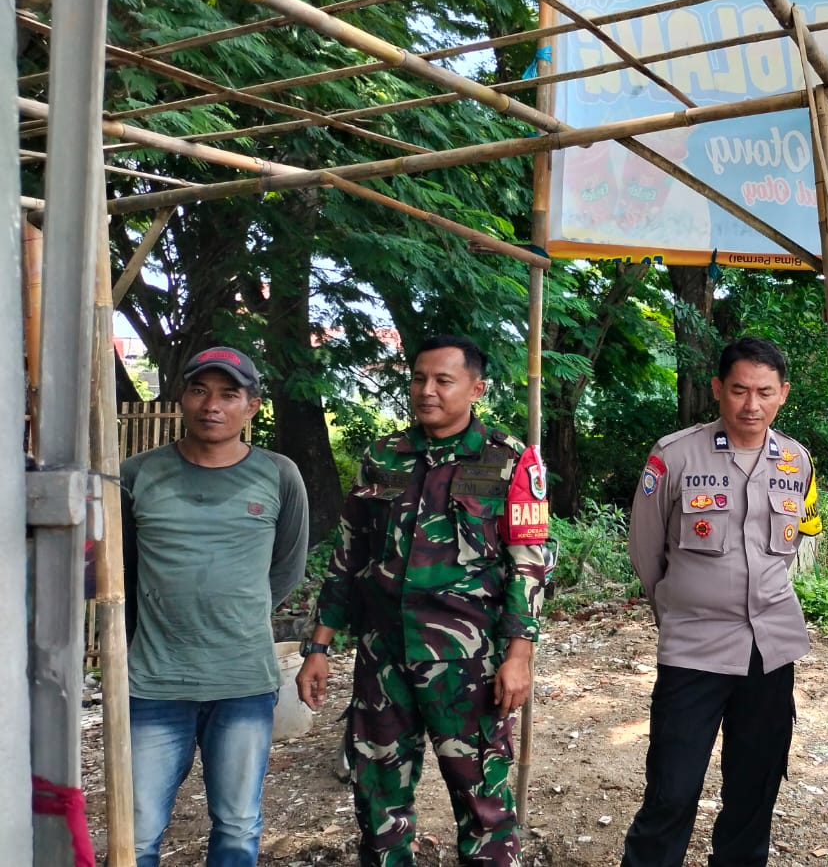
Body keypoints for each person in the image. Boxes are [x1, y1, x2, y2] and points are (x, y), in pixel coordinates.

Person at [296, 335, 552, 867]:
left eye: (442, 380)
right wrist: (319, 645)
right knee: (377, 799)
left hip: (467, 663)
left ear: (476, 389)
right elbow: (348, 554)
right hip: (383, 657)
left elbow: (528, 563)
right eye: (418, 379)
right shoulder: (381, 457)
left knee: (483, 803)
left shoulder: (509, 460)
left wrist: (519, 655)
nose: (426, 390)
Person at [621, 337, 822, 867]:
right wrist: (682, 610)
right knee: (672, 789)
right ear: (717, 389)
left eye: (764, 392)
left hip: (771, 651)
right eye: (739, 390)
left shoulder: (797, 461)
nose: (751, 405)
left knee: (754, 792)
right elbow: (645, 551)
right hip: (694, 649)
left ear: (783, 393)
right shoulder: (674, 455)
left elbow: (790, 548)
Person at [122, 346, 309, 867]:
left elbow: (287, 567)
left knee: (238, 825)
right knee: (136, 832)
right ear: (181, 397)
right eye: (200, 390)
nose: (212, 405)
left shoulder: (279, 474)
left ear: (252, 406)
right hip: (154, 682)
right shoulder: (137, 474)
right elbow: (123, 573)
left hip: (242, 681)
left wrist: (237, 612)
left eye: (229, 394)